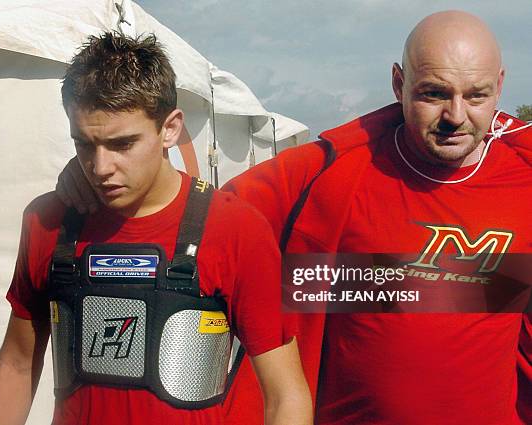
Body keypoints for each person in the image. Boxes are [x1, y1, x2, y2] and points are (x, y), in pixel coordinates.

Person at [55, 11, 532, 425]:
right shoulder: (333, 172)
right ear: (398, 84)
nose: (455, 114)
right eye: (433, 93)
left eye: (476, 96)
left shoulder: (523, 178)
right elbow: (201, 215)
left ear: (501, 87)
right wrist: (99, 169)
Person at [0, 33, 312, 425]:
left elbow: (285, 394)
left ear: (169, 129)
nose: (100, 168)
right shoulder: (48, 222)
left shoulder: (234, 229)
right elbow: (16, 364)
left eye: (122, 144)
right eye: (84, 144)